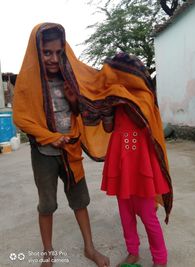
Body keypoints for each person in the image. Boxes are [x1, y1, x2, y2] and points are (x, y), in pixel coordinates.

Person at [13, 23, 110, 267]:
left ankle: (90, 248)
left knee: (80, 201)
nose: (54, 58)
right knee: (47, 205)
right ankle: (48, 253)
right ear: (36, 51)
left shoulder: (71, 77)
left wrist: (73, 101)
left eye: (58, 52)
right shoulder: (27, 81)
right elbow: (21, 118)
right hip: (44, 154)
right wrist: (49, 136)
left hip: (71, 151)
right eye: (47, 52)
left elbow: (78, 111)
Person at [78, 54, 173, 267]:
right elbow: (108, 128)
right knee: (125, 214)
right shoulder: (112, 99)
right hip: (121, 161)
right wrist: (107, 108)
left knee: (148, 216)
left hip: (141, 163)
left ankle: (161, 259)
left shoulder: (144, 96)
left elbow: (141, 120)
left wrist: (117, 96)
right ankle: (133, 252)